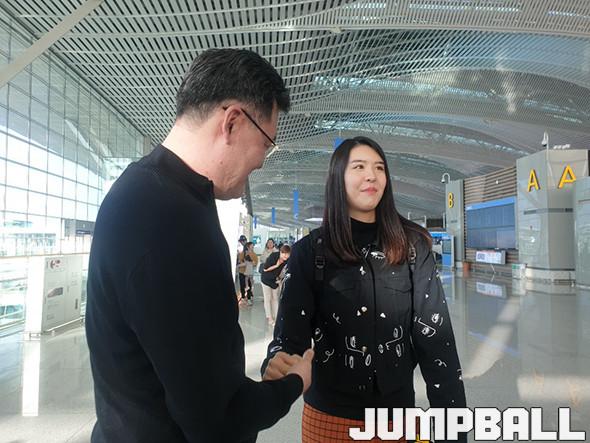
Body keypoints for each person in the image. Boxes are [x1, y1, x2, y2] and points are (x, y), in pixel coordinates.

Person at [85, 48, 313, 443]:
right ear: (232, 122)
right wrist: (294, 383)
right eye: (267, 143)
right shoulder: (168, 219)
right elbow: (216, 419)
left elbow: (185, 371)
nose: (263, 161)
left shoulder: (144, 191)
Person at [261, 137, 466, 442]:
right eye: (359, 167)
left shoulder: (411, 248)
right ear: (337, 179)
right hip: (328, 419)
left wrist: (454, 432)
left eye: (379, 168)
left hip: (397, 417)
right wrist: (277, 362)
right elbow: (289, 338)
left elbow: (437, 344)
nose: (371, 175)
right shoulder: (311, 252)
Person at [261, 244, 291, 326]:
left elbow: (286, 270)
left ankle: (277, 317)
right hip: (266, 279)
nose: (286, 257)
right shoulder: (273, 256)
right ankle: (270, 318)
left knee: (275, 299)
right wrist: (277, 265)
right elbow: (265, 269)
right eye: (284, 254)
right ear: (280, 252)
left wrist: (280, 279)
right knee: (268, 299)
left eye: (287, 255)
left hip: (275, 279)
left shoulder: (287, 260)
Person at [238, 241, 258, 305]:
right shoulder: (243, 253)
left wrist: (250, 263)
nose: (253, 247)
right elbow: (239, 260)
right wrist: (243, 263)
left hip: (249, 272)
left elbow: (255, 263)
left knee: (249, 285)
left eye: (253, 246)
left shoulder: (254, 254)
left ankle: (249, 298)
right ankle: (243, 297)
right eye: (251, 246)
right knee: (242, 285)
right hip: (242, 271)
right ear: (248, 247)